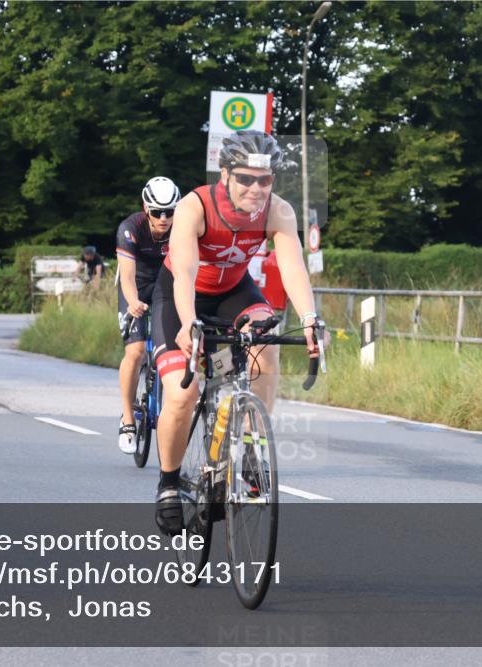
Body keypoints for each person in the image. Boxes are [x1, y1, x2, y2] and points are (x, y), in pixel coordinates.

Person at [150, 130, 321, 534]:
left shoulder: (278, 211)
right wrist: (189, 324)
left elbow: (294, 266)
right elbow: (185, 272)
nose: (256, 189)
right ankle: (169, 483)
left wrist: (311, 319)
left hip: (235, 292)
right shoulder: (196, 206)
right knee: (182, 392)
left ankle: (248, 448)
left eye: (265, 180)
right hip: (181, 295)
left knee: (266, 345)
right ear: (224, 173)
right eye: (245, 178)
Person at [116, 176, 180, 454]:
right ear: (146, 208)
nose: (164, 218)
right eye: (157, 212)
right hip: (137, 285)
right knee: (136, 351)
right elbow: (127, 276)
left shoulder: (182, 226)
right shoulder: (130, 228)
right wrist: (132, 302)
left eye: (170, 212)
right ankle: (128, 419)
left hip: (166, 285)